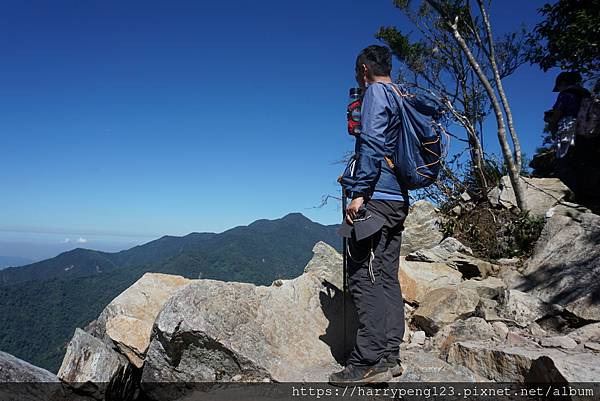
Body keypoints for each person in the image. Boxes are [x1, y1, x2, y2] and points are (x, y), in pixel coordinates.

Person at [329, 45, 409, 385]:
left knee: (363, 278)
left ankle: (368, 361)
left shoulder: (376, 92)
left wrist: (359, 192)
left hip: (375, 200)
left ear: (363, 70)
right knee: (386, 277)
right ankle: (391, 355)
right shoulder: (400, 95)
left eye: (357, 75)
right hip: (396, 200)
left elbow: (373, 143)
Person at [544, 71, 600, 211]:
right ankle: (591, 197)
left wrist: (551, 121)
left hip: (568, 129)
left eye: (559, 86)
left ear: (562, 83)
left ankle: (573, 197)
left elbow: (558, 113)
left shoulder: (566, 94)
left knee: (564, 162)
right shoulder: (586, 95)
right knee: (585, 162)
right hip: (589, 132)